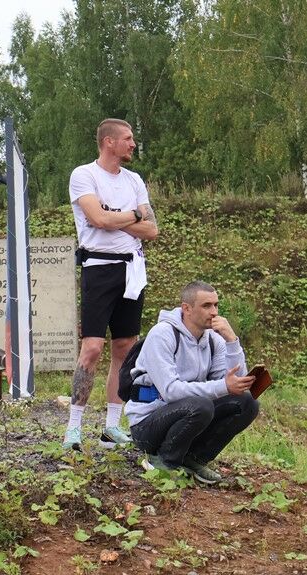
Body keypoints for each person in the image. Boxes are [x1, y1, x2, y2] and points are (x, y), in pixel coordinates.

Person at [63, 118, 158, 451]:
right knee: (92, 348)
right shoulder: (84, 175)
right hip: (99, 268)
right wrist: (133, 215)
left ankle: (111, 427)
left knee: (125, 348)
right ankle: (73, 429)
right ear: (109, 142)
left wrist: (116, 216)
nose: (133, 144)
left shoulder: (134, 180)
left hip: (132, 269)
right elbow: (97, 219)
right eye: (128, 138)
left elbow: (152, 230)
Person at [125, 281, 261, 484]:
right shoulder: (162, 334)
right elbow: (170, 391)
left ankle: (193, 459)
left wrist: (232, 341)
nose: (214, 312)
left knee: (247, 402)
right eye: (206, 306)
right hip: (147, 425)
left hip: (187, 415)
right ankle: (164, 461)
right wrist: (224, 386)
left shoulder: (213, 339)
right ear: (186, 308)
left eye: (216, 305)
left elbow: (235, 381)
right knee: (201, 404)